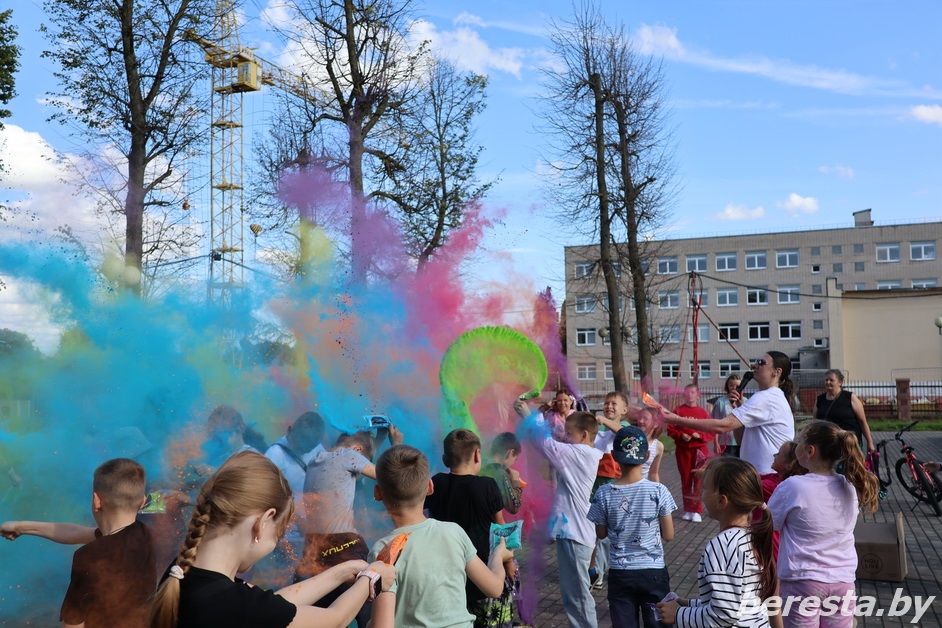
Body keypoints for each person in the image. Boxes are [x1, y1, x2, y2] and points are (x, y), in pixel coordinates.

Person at [150, 451, 394, 628]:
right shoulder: (236, 605)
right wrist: (372, 577)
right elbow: (335, 619)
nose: (276, 541)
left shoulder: (181, 572)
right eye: (279, 532)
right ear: (263, 521)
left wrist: (342, 571)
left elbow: (274, 605)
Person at [369, 444, 512, 628]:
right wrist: (498, 555)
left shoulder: (383, 551)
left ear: (377, 493)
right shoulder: (453, 532)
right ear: (430, 487)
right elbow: (494, 588)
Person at [3, 458, 157, 628]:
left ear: (96, 501)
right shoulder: (142, 533)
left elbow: (74, 624)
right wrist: (21, 527)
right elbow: (73, 532)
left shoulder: (90, 557)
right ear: (142, 502)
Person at [768, 420, 879, 627]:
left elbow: (768, 525)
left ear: (810, 451)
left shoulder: (792, 486)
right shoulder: (849, 487)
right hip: (843, 581)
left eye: (799, 441)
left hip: (802, 582)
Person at [657, 457, 776, 627]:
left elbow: (724, 615)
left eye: (706, 488)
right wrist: (690, 604)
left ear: (722, 501)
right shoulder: (750, 537)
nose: (702, 494)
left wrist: (678, 614)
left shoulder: (723, 545)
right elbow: (737, 601)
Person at [587, 426, 676, 627]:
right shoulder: (659, 490)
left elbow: (601, 533)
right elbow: (669, 535)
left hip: (620, 573)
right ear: (647, 457)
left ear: (614, 456)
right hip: (653, 572)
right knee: (658, 623)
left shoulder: (603, 493)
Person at [661, 351, 796, 475]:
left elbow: (722, 426)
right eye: (756, 361)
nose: (754, 365)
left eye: (761, 363)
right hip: (760, 474)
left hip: (767, 475)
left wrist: (676, 419)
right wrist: (738, 409)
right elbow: (741, 440)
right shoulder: (768, 396)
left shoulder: (766, 398)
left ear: (777, 372)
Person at [425, 429, 509, 626]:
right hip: (483, 573)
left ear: (445, 459)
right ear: (477, 454)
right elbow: (501, 528)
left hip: (448, 576)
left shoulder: (436, 483)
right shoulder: (487, 485)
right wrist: (509, 562)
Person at [531, 410, 603, 628]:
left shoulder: (581, 453)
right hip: (575, 534)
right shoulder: (584, 453)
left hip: (575, 535)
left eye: (569, 433)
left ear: (584, 434)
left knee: (577, 596)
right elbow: (546, 447)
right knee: (575, 594)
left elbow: (547, 446)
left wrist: (532, 417)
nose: (565, 437)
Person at [263, 411, 327, 570]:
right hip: (285, 535)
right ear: (289, 430)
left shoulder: (316, 447)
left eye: (309, 447)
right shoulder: (275, 455)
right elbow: (265, 495)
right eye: (300, 444)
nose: (304, 450)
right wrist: (296, 519)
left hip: (311, 532)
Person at [591, 391, 633, 588]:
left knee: (612, 534)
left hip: (615, 485)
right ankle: (597, 573)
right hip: (595, 484)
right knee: (597, 533)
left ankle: (612, 568)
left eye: (614, 404)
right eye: (606, 403)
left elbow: (624, 434)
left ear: (624, 410)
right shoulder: (597, 427)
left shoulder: (623, 426)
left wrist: (604, 421)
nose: (609, 406)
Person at [667, 384, 714, 522]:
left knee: (698, 480)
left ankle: (697, 510)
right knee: (686, 480)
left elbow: (710, 431)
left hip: (699, 451)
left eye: (693, 392)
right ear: (684, 395)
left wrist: (700, 435)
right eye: (687, 392)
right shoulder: (678, 411)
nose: (690, 395)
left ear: (698, 395)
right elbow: (670, 429)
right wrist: (681, 435)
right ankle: (688, 509)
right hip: (683, 451)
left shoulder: (703, 413)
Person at [758, 441, 807, 561]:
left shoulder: (775, 486)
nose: (774, 455)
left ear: (788, 465)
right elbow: (754, 476)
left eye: (779, 454)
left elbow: (747, 481)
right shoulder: (775, 477)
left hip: (773, 543)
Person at [814, 369, 876, 453]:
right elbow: (815, 423)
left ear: (840, 382)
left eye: (831, 380)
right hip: (828, 444)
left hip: (849, 444)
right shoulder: (820, 399)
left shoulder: (850, 397)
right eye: (826, 380)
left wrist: (870, 442)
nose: (828, 382)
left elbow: (862, 421)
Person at [481, 432, 525, 516]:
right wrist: (515, 481)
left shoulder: (480, 464)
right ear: (510, 452)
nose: (513, 463)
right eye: (515, 459)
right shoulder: (499, 473)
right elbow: (514, 507)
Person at [713, 374, 742, 457]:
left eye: (737, 386)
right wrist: (716, 442)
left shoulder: (745, 401)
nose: (734, 388)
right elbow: (716, 423)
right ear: (727, 386)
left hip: (742, 442)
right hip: (726, 443)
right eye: (731, 385)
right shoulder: (720, 402)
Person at [632, 409, 665, 483]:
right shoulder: (630, 440)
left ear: (655, 424)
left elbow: (654, 473)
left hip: (642, 486)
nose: (640, 421)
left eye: (645, 418)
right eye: (639, 418)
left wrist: (657, 488)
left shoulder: (658, 446)